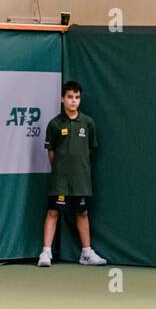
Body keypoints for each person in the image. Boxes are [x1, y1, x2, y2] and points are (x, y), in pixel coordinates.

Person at [38, 79, 107, 267]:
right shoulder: (54, 124)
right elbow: (51, 153)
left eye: (77, 97)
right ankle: (46, 253)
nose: (73, 101)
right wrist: (62, 169)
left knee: (82, 213)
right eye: (69, 97)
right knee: (53, 212)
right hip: (60, 179)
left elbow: (90, 150)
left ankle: (86, 253)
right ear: (62, 99)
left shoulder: (88, 123)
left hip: (81, 179)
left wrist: (79, 167)